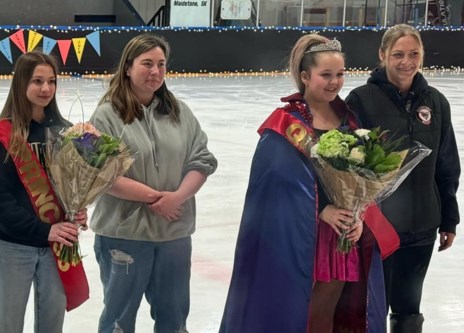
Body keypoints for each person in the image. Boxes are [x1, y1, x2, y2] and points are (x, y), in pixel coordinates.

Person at [220, 34, 392, 333]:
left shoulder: (349, 119)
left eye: (340, 74)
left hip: (339, 236)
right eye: (325, 74)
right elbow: (275, 186)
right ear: (304, 76)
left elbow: (361, 179)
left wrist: (359, 215)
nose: (334, 82)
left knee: (326, 313)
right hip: (298, 234)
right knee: (296, 312)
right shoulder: (284, 123)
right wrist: (322, 210)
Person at [88, 34, 217, 333]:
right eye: (147, 63)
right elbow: (101, 172)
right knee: (118, 321)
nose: (155, 71)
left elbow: (201, 160)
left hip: (173, 234)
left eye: (161, 64)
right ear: (128, 68)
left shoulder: (179, 112)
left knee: (174, 319)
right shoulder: (107, 115)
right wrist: (155, 198)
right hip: (124, 235)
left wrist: (177, 198)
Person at [345, 24, 459, 333]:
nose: (406, 62)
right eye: (397, 54)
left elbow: (446, 165)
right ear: (382, 55)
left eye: (414, 54)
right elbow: (348, 165)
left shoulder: (435, 102)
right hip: (379, 227)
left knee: (409, 308)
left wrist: (449, 218)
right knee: (372, 306)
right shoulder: (361, 99)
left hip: (423, 225)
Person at [0, 51, 88, 333]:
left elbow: (75, 187)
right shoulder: (4, 135)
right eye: (37, 81)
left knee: (52, 326)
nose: (45, 89)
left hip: (58, 249)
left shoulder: (66, 132)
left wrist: (77, 210)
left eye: (51, 81)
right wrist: (45, 231)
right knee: (9, 326)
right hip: (15, 248)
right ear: (21, 84)